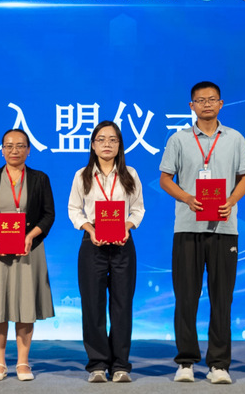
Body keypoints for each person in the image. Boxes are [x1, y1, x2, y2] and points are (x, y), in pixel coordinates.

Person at [159, 81, 245, 384]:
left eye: (212, 99)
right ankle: (185, 361)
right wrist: (187, 197)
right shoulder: (179, 139)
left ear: (221, 104)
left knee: (222, 298)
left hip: (225, 228)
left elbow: (244, 178)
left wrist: (231, 201)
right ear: (192, 106)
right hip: (188, 227)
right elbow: (165, 179)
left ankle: (219, 363)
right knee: (186, 296)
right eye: (201, 100)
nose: (207, 104)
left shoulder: (235, 138)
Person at [0, 129, 55, 382]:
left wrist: (31, 236)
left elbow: (49, 215)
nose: (14, 150)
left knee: (25, 305)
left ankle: (23, 362)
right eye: (8, 146)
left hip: (29, 251)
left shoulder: (40, 178)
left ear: (29, 150)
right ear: (2, 150)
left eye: (20, 146)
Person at [68, 121, 144, 383]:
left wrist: (126, 226)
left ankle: (121, 364)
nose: (107, 144)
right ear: (93, 145)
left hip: (123, 244)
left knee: (122, 305)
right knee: (93, 305)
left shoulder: (130, 174)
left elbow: (138, 209)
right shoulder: (82, 175)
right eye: (101, 139)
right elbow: (74, 209)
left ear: (120, 145)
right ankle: (98, 364)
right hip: (93, 244)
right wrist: (89, 229)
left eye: (113, 139)